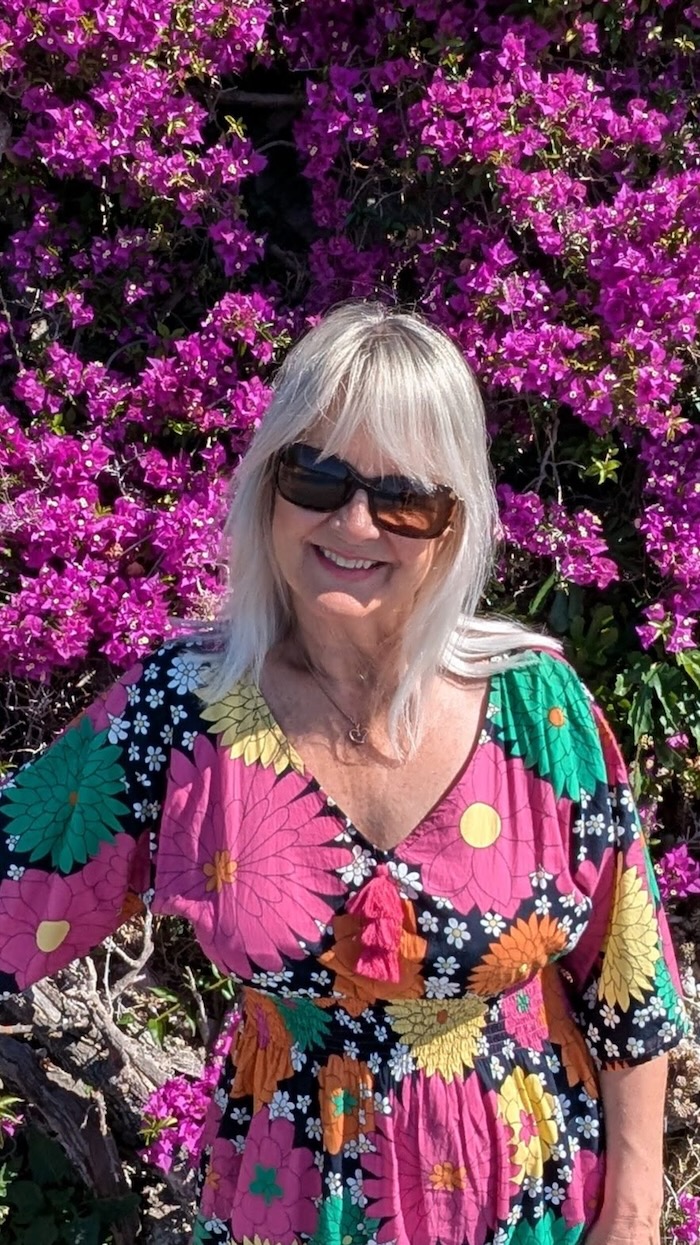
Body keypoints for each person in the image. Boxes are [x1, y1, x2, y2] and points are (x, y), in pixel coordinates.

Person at [0, 302, 688, 1245]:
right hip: (289, 1205)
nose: (355, 521)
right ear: (268, 488)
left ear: (452, 524)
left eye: (404, 496)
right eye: (317, 477)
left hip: (529, 1202)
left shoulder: (539, 709)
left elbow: (627, 976)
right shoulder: (186, 710)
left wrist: (635, 1215)